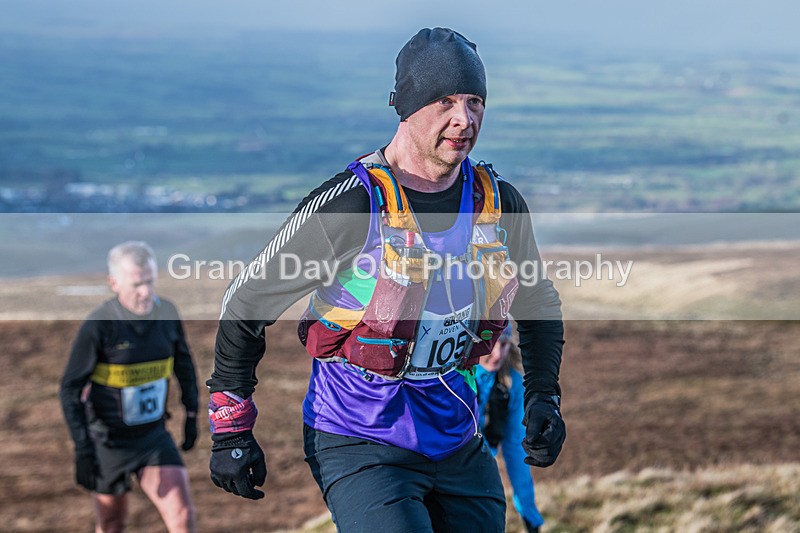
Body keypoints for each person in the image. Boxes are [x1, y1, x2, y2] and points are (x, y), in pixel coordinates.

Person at [207, 27, 566, 532]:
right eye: (444, 101)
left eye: (475, 101)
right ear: (407, 107)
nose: (464, 119)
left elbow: (537, 299)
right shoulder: (352, 205)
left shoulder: (498, 202)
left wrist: (544, 395)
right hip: (359, 441)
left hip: (458, 438)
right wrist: (231, 427)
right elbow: (245, 302)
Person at [60, 241, 199, 533]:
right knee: (112, 524)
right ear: (114, 283)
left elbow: (184, 365)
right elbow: (70, 389)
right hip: (109, 442)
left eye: (150, 281)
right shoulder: (99, 325)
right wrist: (82, 448)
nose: (146, 292)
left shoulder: (167, 313)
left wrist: (191, 414)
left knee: (182, 515)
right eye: (137, 284)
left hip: (153, 436)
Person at [476, 324, 545, 533]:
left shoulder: (512, 384)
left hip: (482, 473)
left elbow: (516, 447)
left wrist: (529, 514)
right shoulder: (455, 379)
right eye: (490, 344)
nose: (498, 354)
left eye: (504, 344)